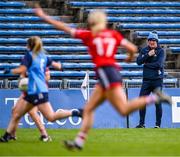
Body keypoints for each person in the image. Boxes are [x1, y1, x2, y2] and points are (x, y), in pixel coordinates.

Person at [34, 6, 171, 150]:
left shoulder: (90, 35)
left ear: (92, 22)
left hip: (106, 74)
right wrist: (129, 57)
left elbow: (65, 28)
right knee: (90, 109)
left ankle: (155, 98)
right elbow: (132, 49)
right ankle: (79, 141)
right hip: (112, 74)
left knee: (121, 109)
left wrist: (44, 16)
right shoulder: (113, 34)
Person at [0, 36, 83, 142]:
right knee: (16, 113)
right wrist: (61, 66)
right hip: (36, 91)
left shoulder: (29, 56)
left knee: (50, 117)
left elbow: (22, 69)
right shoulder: (44, 56)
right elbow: (57, 65)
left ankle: (75, 113)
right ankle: (7, 136)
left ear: (29, 46)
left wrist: (10, 71)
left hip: (36, 91)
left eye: (27, 44)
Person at [10, 68, 52, 142]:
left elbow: (47, 77)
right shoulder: (26, 63)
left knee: (32, 112)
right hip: (28, 90)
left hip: (38, 90)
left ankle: (45, 135)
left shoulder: (40, 61)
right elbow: (22, 77)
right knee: (14, 110)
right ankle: (12, 135)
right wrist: (22, 82)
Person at [136, 31, 165, 128]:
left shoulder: (161, 51)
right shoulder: (144, 50)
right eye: (150, 40)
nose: (151, 42)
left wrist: (147, 65)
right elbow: (138, 62)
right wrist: (148, 55)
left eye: (153, 40)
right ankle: (141, 124)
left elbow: (159, 65)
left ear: (157, 41)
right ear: (148, 41)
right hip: (146, 80)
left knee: (158, 102)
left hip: (157, 80)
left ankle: (158, 125)